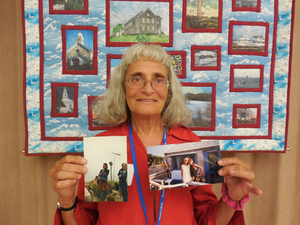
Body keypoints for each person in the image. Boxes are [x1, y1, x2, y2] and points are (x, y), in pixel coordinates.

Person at [50, 43, 263, 225]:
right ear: (123, 88)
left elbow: (205, 218)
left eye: (158, 79)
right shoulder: (105, 146)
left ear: (168, 90)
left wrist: (231, 200)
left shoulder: (187, 143)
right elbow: (87, 219)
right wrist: (67, 201)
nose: (148, 89)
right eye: (137, 79)